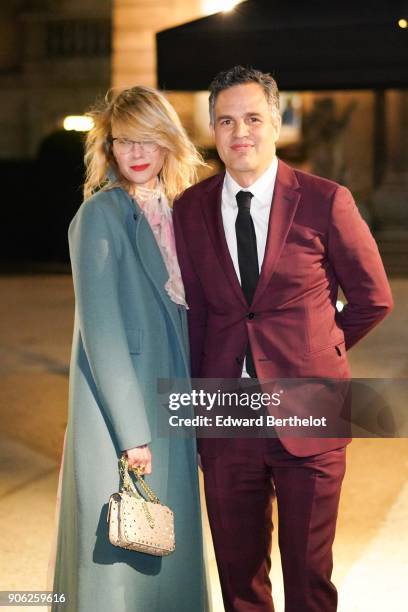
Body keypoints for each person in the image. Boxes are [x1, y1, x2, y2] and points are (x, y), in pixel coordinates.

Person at [173, 66, 393, 612]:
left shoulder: (325, 200)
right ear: (212, 129)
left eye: (251, 118)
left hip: (314, 404)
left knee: (309, 576)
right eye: (226, 120)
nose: (239, 131)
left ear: (276, 121)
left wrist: (318, 352)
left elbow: (373, 298)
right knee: (238, 575)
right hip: (226, 410)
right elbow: (196, 313)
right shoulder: (190, 209)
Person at [51, 86, 208, 612]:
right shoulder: (101, 214)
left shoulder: (179, 212)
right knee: (120, 562)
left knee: (165, 544)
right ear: (109, 149)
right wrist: (132, 435)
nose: (137, 153)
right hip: (122, 415)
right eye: (124, 142)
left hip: (171, 402)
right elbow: (102, 332)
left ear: (167, 143)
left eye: (147, 140)